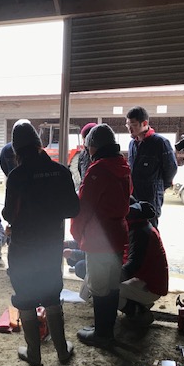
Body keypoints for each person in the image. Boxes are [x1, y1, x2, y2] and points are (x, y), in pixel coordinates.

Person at [2, 122, 79, 366]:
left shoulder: (17, 176)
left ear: (16, 150)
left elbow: (9, 214)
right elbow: (73, 208)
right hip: (50, 246)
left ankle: (34, 354)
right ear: (39, 144)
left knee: (25, 295)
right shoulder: (60, 171)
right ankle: (62, 351)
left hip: (23, 247)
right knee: (51, 294)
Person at [71, 124, 132, 348]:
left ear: (93, 146)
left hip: (98, 238)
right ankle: (107, 330)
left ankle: (102, 334)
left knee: (98, 287)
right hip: (117, 234)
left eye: (88, 147)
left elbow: (84, 206)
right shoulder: (122, 165)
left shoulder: (97, 169)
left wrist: (76, 233)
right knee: (112, 286)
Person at [119, 198, 169, 326]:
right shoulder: (138, 224)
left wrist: (109, 278)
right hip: (145, 281)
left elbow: (133, 265)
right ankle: (137, 304)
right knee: (98, 278)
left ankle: (137, 311)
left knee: (105, 288)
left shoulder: (139, 232)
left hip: (150, 286)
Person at [125, 106, 178, 229]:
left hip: (151, 196)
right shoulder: (132, 143)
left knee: (150, 230)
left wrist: (159, 186)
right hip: (134, 195)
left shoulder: (160, 142)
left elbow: (171, 168)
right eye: (128, 125)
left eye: (133, 125)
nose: (129, 129)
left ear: (144, 123)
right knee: (133, 229)